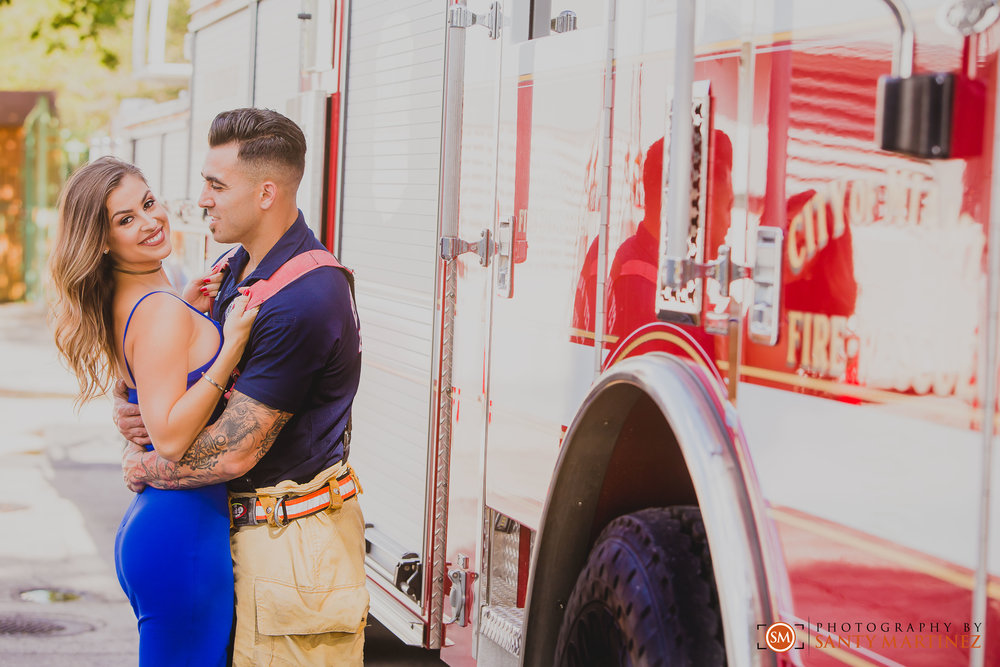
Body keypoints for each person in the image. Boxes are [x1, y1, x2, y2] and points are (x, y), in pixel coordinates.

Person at [115, 107, 368, 666]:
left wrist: (144, 463)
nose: (201, 198)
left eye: (215, 185)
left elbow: (233, 452)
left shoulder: (308, 295)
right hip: (233, 541)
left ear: (266, 193)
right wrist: (138, 413)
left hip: (292, 561)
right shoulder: (234, 267)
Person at [49, 156, 259, 666]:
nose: (149, 222)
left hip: (166, 529)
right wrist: (227, 349)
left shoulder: (141, 296)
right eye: (125, 219)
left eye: (148, 203)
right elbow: (167, 438)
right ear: (101, 239)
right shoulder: (160, 309)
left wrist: (190, 311)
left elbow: (150, 379)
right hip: (182, 536)